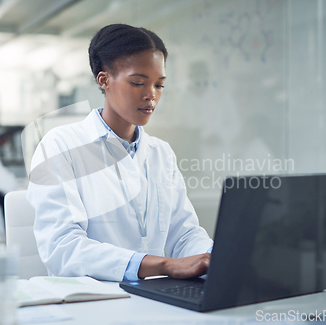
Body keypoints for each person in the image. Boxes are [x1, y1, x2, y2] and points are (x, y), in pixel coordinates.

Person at [26, 23, 213, 282]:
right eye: (138, 82)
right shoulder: (60, 146)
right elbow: (63, 249)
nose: (151, 95)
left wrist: (216, 256)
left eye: (160, 85)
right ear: (104, 80)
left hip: (156, 299)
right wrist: (163, 265)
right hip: (92, 303)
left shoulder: (161, 153)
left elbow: (183, 234)